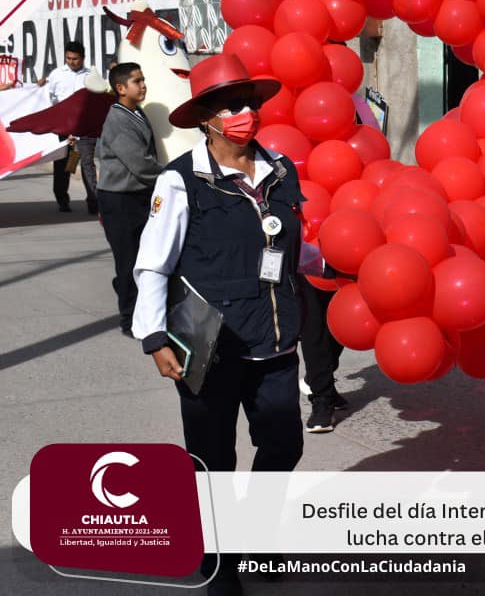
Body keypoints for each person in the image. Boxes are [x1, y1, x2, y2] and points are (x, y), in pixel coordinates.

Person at [131, 55, 304, 594]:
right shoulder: (181, 182)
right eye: (232, 105)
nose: (246, 113)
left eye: (251, 103)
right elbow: (153, 262)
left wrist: (334, 264)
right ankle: (217, 558)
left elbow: (287, 245)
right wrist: (154, 336)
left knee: (283, 445)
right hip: (206, 340)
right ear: (206, 116)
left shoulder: (281, 168)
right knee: (212, 458)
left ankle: (255, 533)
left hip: (274, 336)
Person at [96, 63, 160, 338]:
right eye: (137, 81)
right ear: (121, 89)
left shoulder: (136, 112)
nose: (143, 85)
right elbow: (140, 164)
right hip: (120, 200)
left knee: (140, 258)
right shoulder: (118, 120)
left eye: (143, 79)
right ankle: (128, 320)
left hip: (136, 196)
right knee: (128, 261)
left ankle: (127, 293)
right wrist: (171, 176)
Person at [43, 41, 99, 213]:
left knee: (87, 165)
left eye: (75, 59)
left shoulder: (91, 75)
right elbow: (49, 98)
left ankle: (94, 202)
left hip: (85, 128)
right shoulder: (56, 75)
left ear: (82, 58)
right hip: (64, 129)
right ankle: (62, 199)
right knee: (63, 166)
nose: (71, 61)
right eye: (68, 58)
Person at [297, 277, 347, 433]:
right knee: (314, 322)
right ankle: (322, 397)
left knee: (346, 320)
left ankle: (318, 379)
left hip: (348, 261)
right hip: (309, 259)